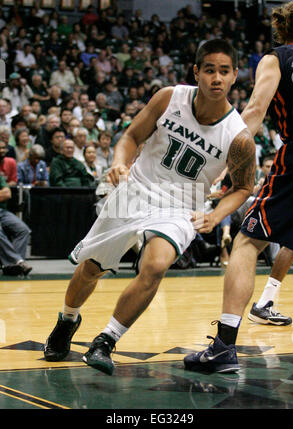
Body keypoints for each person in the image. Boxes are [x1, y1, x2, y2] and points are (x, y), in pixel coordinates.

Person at [43, 39, 256, 375]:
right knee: (91, 269)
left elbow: (243, 187)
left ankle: (106, 341)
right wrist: (118, 162)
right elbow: (130, 137)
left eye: (224, 71)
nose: (216, 78)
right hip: (136, 188)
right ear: (196, 72)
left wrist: (216, 215)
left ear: (234, 77)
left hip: (180, 206)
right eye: (210, 70)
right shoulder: (169, 97)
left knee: (156, 266)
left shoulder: (239, 136)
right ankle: (68, 319)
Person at [184, 1, 293, 374]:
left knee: (248, 239)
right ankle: (265, 305)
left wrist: (224, 160)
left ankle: (224, 347)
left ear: (281, 29)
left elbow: (254, 112)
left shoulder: (276, 58)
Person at [0, 175, 32, 276]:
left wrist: (3, 193)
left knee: (23, 230)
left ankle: (12, 266)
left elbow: (7, 193)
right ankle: (18, 261)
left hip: (2, 212)